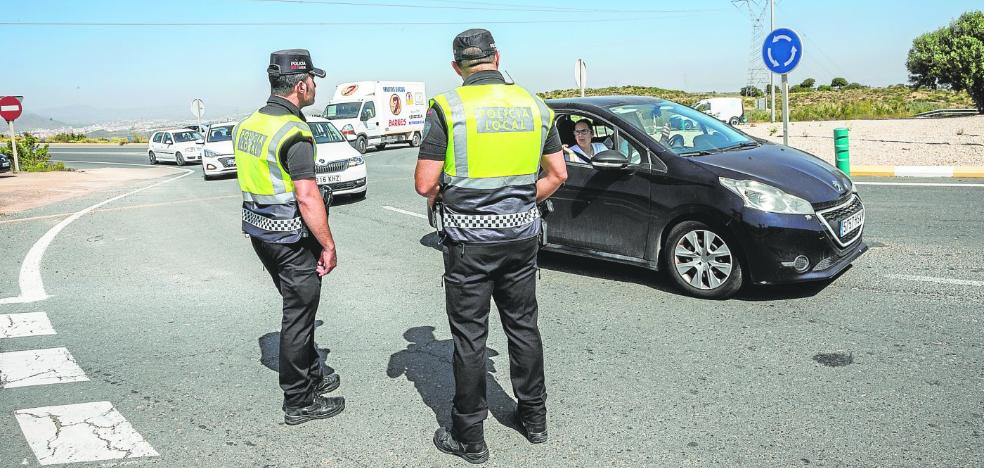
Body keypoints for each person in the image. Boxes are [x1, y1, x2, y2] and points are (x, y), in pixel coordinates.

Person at [414, 28, 568, 464]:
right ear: (497, 57)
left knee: (469, 337)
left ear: (456, 65)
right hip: (521, 236)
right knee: (522, 326)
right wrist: (518, 201)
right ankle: (534, 419)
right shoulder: (536, 106)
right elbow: (557, 175)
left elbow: (425, 182)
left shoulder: (448, 107)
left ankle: (470, 436)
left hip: (468, 243)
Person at [233, 49, 345, 426]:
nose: (315, 86)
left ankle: (312, 374)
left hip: (260, 233)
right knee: (298, 318)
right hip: (291, 238)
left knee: (299, 311)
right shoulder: (294, 131)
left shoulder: (248, 124)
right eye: (313, 80)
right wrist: (328, 245)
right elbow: (307, 195)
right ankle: (299, 401)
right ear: (301, 85)